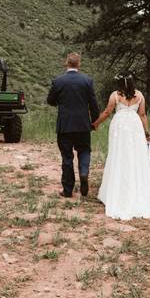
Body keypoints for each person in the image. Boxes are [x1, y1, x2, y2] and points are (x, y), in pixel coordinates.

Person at [92, 72, 150, 220]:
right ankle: (135, 189)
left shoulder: (115, 95)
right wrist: (146, 132)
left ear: (120, 83)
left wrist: (96, 123)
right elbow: (142, 115)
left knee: (118, 155)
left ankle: (117, 190)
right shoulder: (139, 95)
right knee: (134, 156)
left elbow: (108, 112)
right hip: (134, 126)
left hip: (120, 127)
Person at [46, 52, 99, 198]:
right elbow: (93, 104)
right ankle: (83, 172)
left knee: (67, 157)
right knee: (84, 150)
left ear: (66, 63)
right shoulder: (87, 81)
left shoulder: (58, 81)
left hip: (65, 125)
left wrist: (61, 103)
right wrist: (94, 121)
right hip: (83, 124)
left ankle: (68, 190)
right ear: (79, 64)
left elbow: (50, 100)